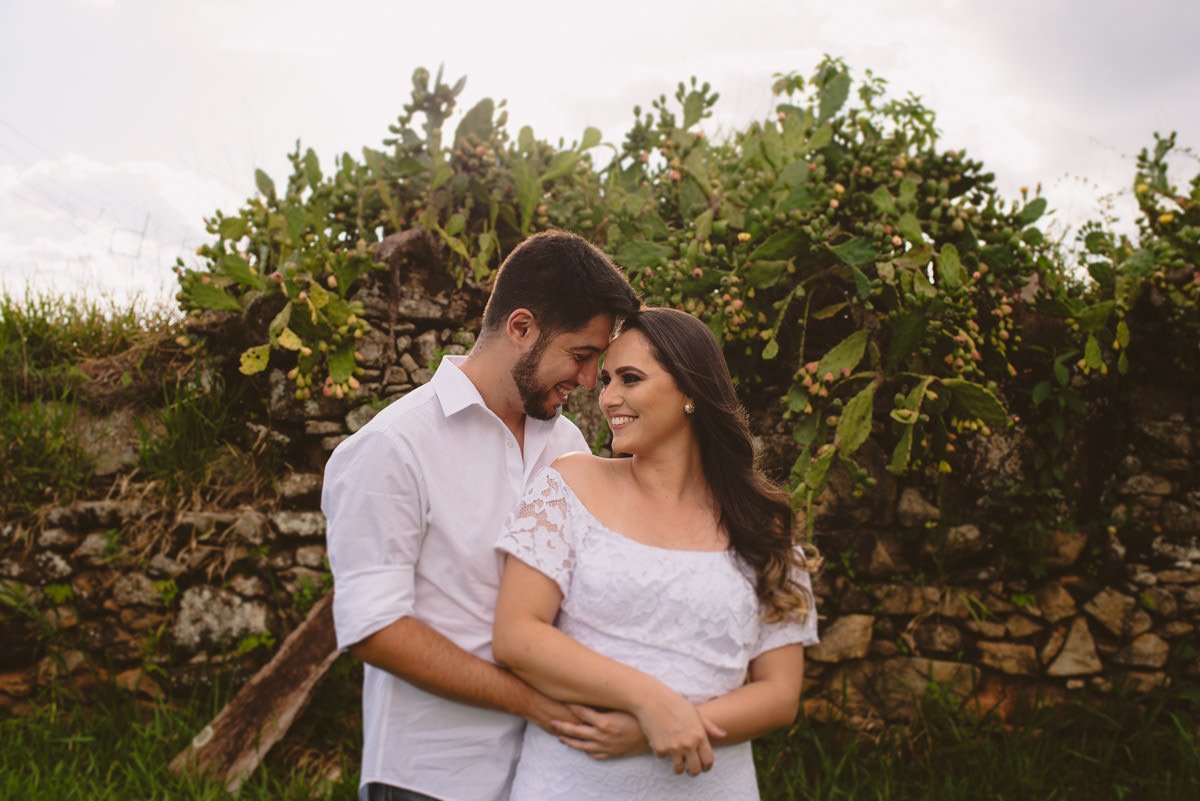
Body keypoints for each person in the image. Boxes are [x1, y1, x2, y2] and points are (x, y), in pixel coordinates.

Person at [322, 230, 641, 801]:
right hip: (432, 777)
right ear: (521, 329)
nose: (591, 382)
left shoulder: (567, 443)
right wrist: (535, 705)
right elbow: (375, 629)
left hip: (552, 776)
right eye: (580, 356)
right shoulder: (391, 447)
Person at [492, 307, 820, 800]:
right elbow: (517, 635)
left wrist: (658, 730)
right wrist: (648, 700)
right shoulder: (571, 483)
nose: (608, 398)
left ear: (690, 390)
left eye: (630, 378)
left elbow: (779, 695)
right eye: (606, 380)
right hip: (574, 783)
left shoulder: (761, 525)